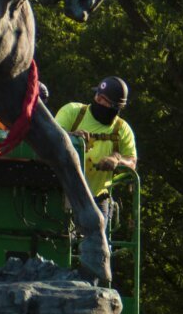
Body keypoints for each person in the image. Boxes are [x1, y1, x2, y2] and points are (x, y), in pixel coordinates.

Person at [54, 77, 137, 220]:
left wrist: (117, 160)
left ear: (116, 107)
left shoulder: (122, 129)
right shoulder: (72, 112)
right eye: (97, 95)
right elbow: (52, 137)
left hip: (98, 201)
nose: (97, 99)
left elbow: (132, 162)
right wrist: (70, 137)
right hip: (61, 193)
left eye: (103, 99)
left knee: (97, 241)